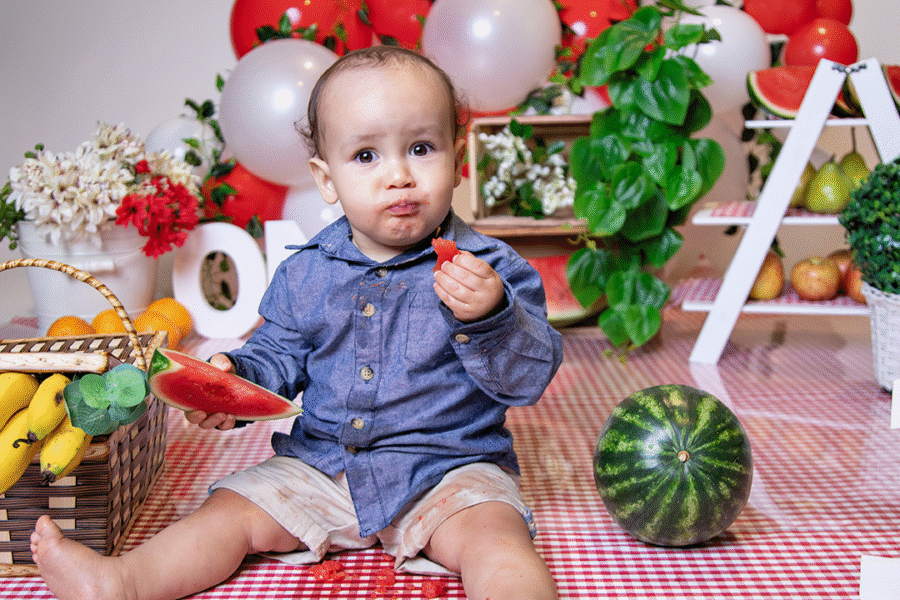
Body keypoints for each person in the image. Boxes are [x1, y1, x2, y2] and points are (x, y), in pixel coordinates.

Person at [31, 45, 563, 600]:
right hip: (323, 464)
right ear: (326, 178)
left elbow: (526, 382)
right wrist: (230, 379)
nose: (399, 175)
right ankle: (121, 583)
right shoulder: (305, 271)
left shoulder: (495, 271)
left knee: (497, 541)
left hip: (451, 469)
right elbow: (275, 358)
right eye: (365, 156)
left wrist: (493, 316)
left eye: (421, 148)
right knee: (229, 513)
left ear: (459, 159)